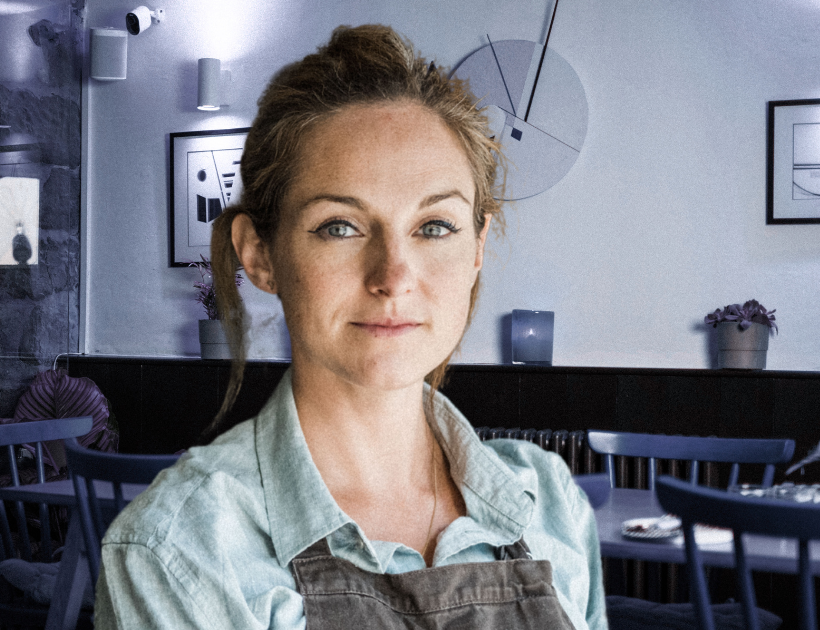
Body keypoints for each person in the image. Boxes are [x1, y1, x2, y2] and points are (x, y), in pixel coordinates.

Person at [94, 24, 607, 629]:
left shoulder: (548, 502)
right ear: (259, 254)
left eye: (435, 227)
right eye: (339, 226)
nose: (393, 276)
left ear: (476, 247)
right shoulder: (180, 549)